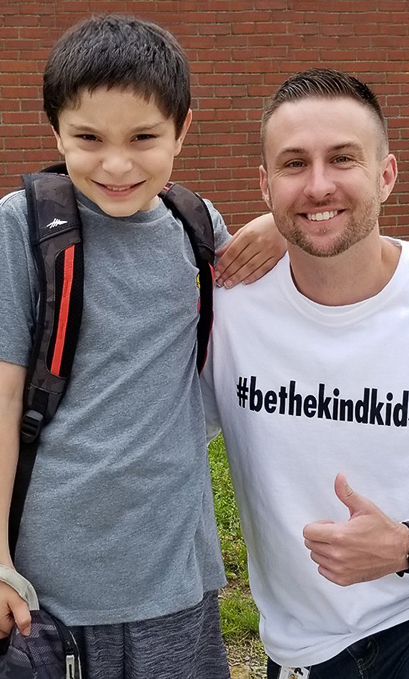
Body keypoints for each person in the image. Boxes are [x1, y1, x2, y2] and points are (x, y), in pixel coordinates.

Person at [0, 15, 285, 679]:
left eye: (144, 137)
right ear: (56, 131)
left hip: (177, 581)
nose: (118, 163)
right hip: (54, 588)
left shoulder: (197, 225)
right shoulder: (22, 229)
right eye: (89, 138)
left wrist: (280, 225)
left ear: (184, 127)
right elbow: (5, 395)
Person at [202, 68, 409, 679]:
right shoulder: (226, 308)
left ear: (386, 175)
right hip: (301, 645)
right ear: (264, 184)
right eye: (293, 165)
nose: (318, 184)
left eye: (342, 159)